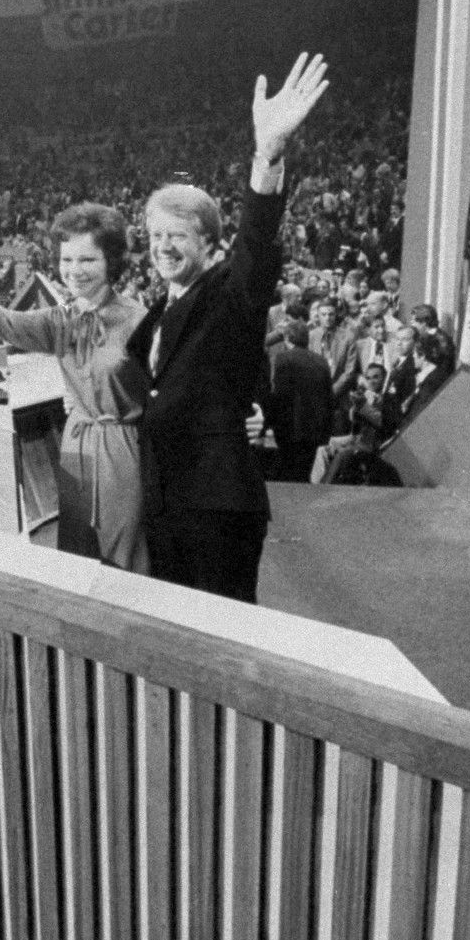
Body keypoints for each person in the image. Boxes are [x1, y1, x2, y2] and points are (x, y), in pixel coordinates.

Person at [125, 51, 329, 601]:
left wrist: (268, 155)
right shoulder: (156, 313)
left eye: (178, 237)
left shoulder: (229, 292)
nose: (163, 248)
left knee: (224, 643)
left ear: (209, 244)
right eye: (155, 237)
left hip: (216, 505)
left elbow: (256, 246)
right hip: (168, 501)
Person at [0, 201, 150, 572]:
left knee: (125, 564)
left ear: (111, 262)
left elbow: (176, 386)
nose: (75, 271)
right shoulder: (59, 321)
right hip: (74, 449)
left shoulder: (139, 321)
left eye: (87, 260)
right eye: (67, 260)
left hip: (124, 455)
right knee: (76, 558)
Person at [263, 320, 334, 483]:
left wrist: (270, 424)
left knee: (288, 476)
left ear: (287, 338)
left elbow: (280, 395)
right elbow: (329, 398)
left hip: (290, 430)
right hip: (316, 431)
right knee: (303, 475)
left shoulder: (283, 359)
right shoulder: (321, 361)